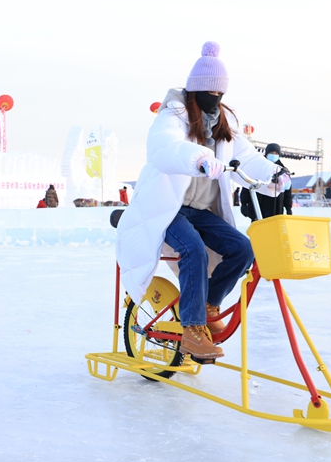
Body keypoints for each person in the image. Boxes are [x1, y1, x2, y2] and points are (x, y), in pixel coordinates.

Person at [115, 41, 285, 360]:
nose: (215, 99)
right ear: (195, 90)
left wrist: (276, 174)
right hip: (166, 208)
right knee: (192, 248)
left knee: (242, 248)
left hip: (201, 211)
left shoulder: (224, 125)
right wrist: (199, 158)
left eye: (220, 93)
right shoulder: (173, 115)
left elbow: (247, 157)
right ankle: (192, 330)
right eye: (209, 92)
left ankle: (208, 306)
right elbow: (165, 146)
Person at [239, 142, 292, 220]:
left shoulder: (283, 170)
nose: (274, 155)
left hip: (275, 206)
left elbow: (287, 192)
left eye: (276, 153)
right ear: (266, 153)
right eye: (271, 153)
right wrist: (244, 203)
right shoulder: (258, 167)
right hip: (258, 204)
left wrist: (288, 207)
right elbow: (247, 185)